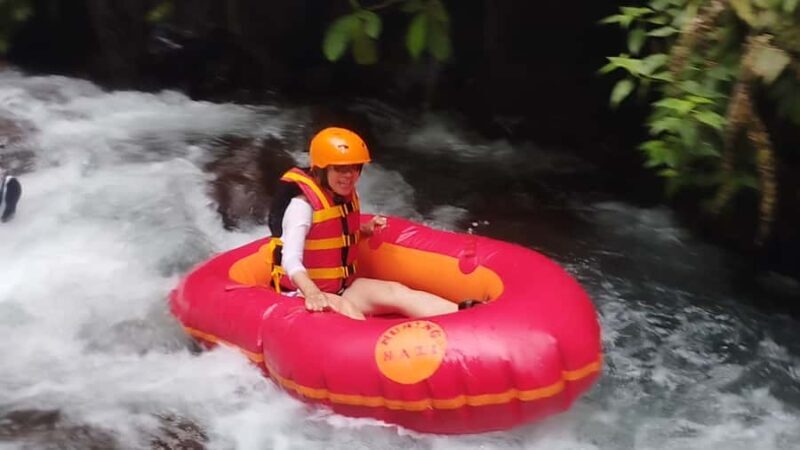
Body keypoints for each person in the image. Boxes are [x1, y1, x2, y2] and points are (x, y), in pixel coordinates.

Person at [267, 127, 479, 320]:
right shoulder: (301, 206)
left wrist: (363, 230)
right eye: (340, 169)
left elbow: (332, 237)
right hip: (302, 294)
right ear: (322, 169)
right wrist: (312, 292)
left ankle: (467, 316)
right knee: (349, 311)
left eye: (354, 168)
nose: (349, 175)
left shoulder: (343, 195)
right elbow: (290, 259)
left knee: (395, 292)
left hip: (341, 289)